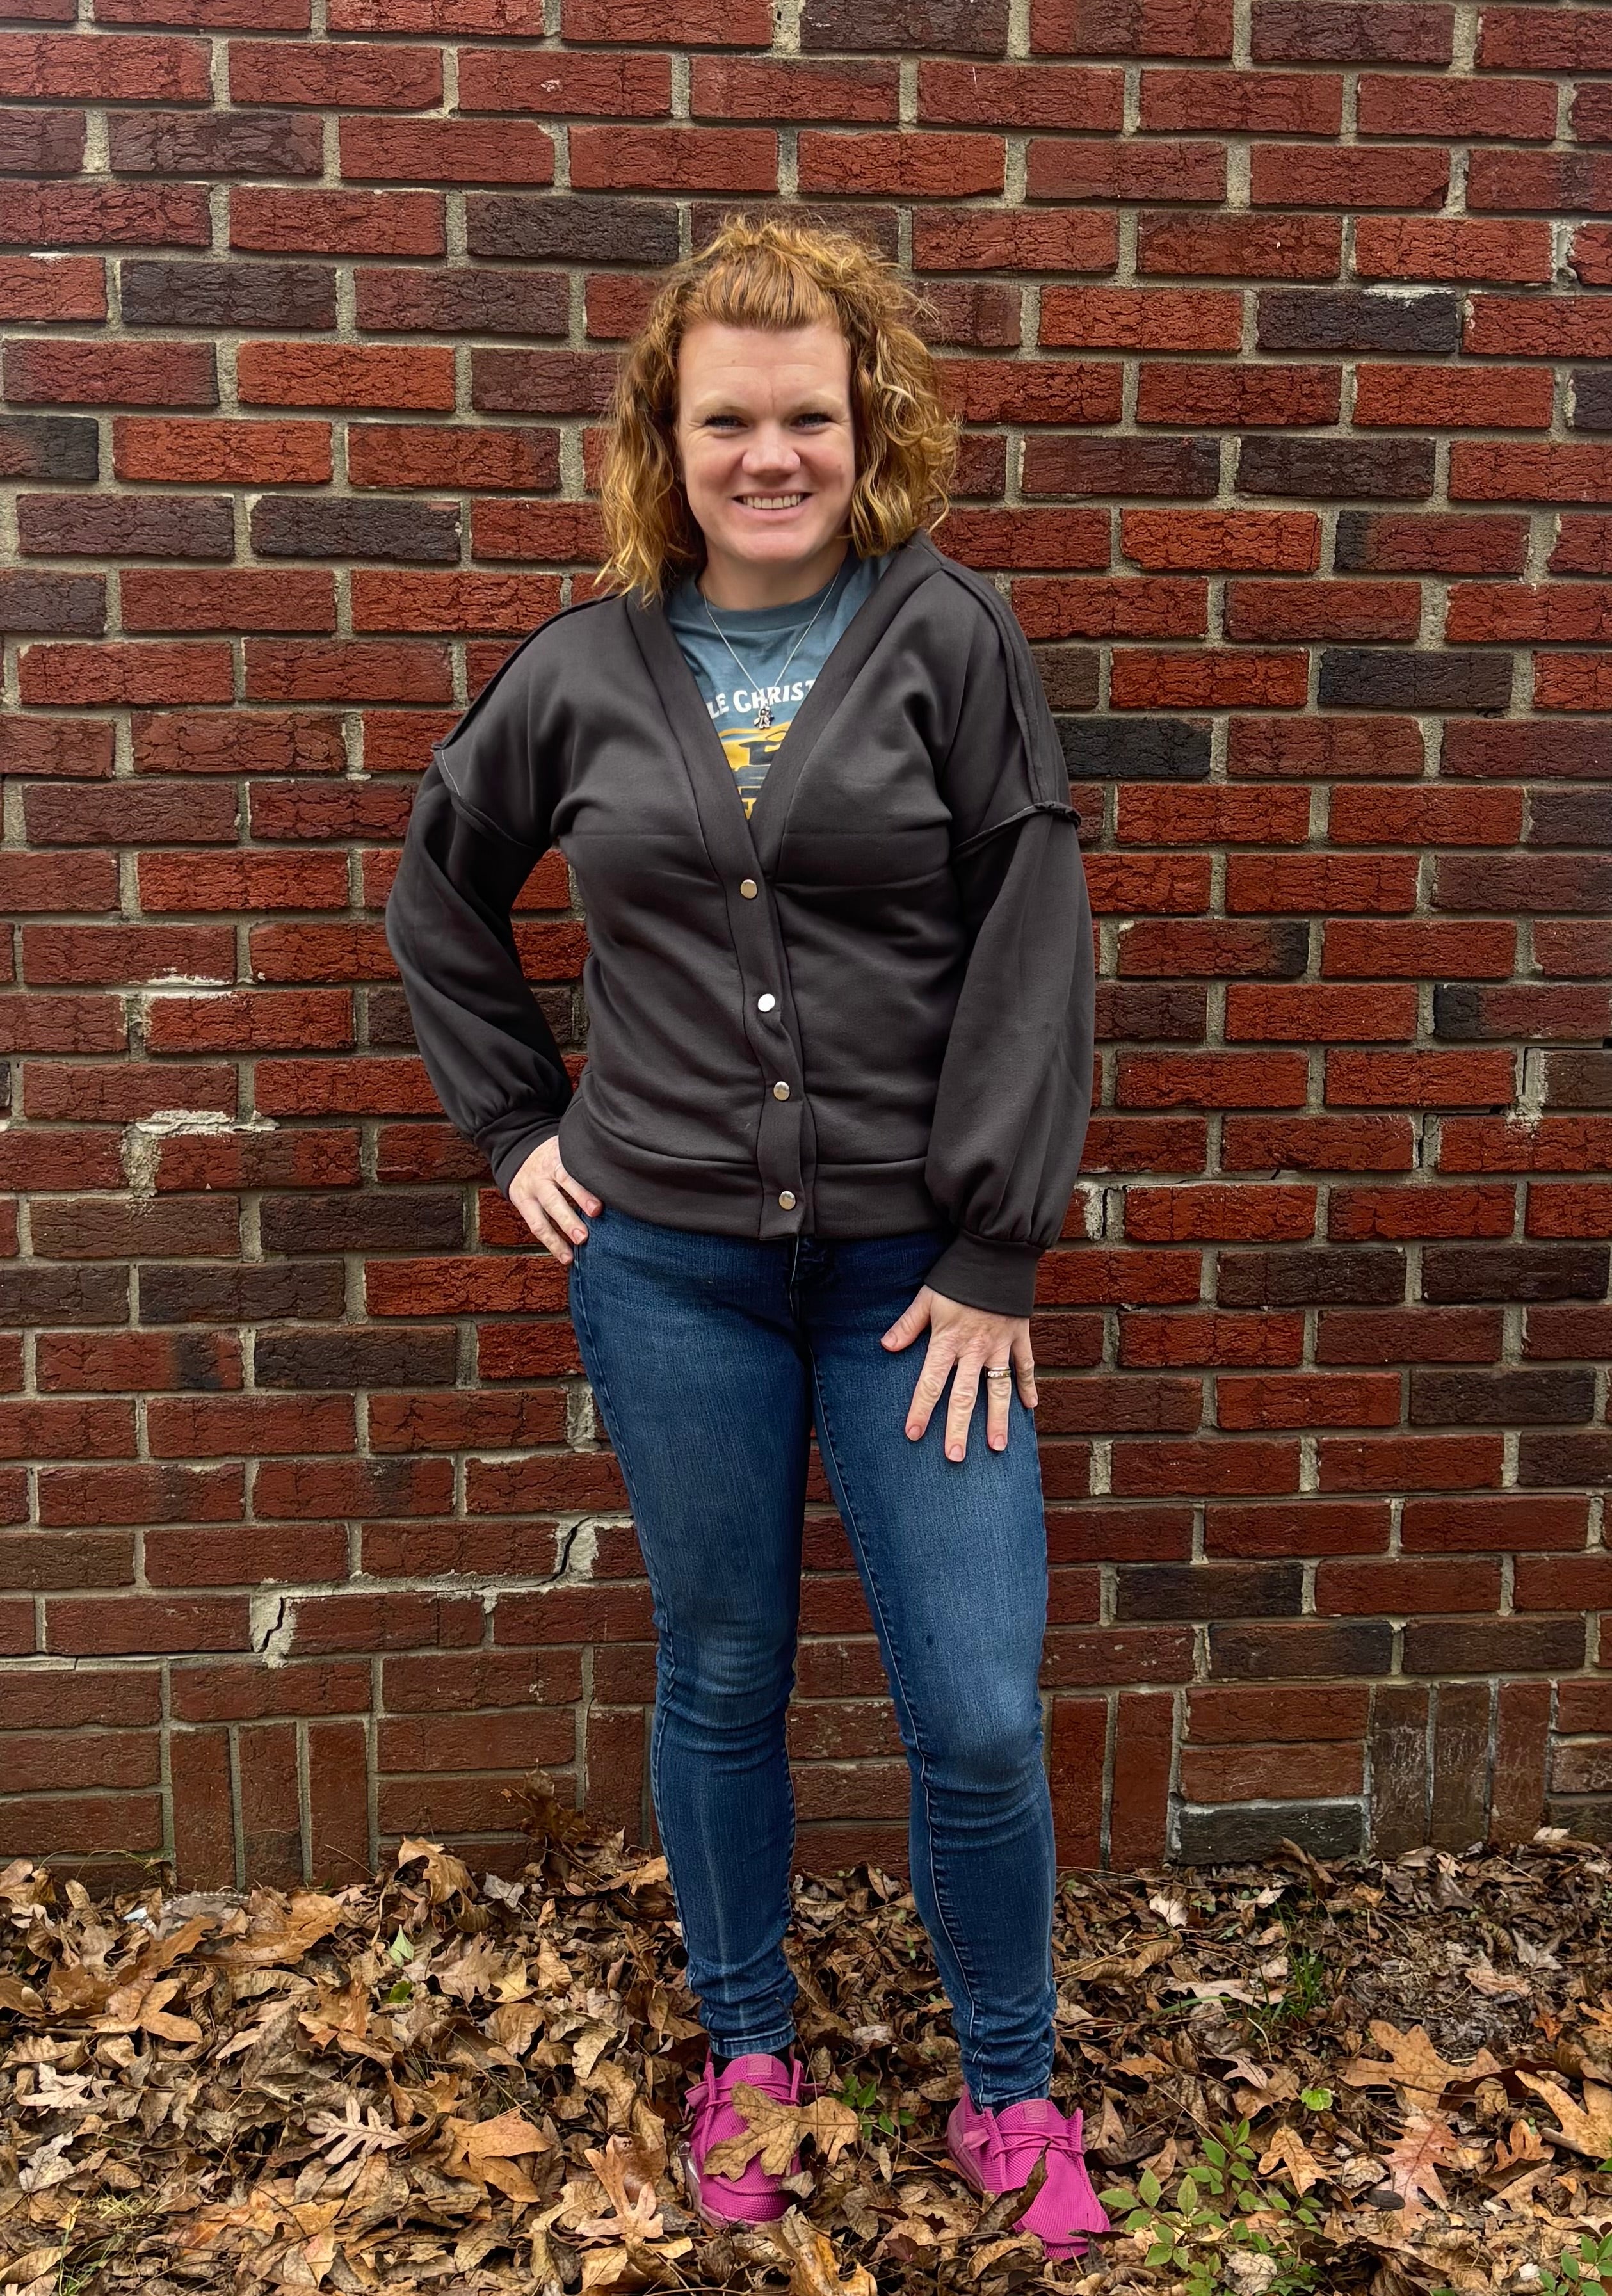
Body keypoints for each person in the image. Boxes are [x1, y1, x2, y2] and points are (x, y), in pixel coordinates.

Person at [385, 213, 1106, 2260]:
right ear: (663, 436)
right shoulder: (586, 663)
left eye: (806, 414)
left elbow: (1034, 944)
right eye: (727, 419)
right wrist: (520, 1116)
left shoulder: (950, 639)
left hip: (916, 1286)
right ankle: (750, 2054)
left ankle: (1009, 2080)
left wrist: (993, 1249)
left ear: (864, 422)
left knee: (972, 1699)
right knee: (721, 1666)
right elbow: (443, 890)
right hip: (671, 1264)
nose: (768, 454)